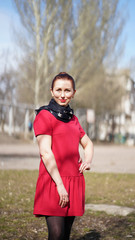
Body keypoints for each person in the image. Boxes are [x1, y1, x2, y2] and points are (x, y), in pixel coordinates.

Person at [33, 72, 94, 240]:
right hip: (54, 182)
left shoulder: (73, 119)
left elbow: (88, 143)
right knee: (57, 234)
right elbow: (45, 152)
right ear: (51, 91)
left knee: (66, 234)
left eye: (67, 90)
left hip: (74, 181)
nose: (62, 94)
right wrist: (60, 186)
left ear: (74, 93)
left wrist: (88, 160)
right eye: (58, 90)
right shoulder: (44, 116)